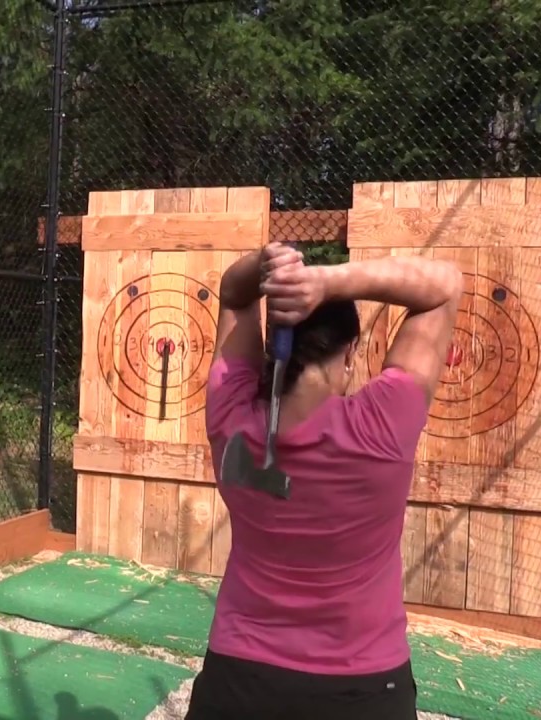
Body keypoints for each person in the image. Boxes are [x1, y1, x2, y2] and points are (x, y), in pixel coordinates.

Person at [186, 242, 462, 720]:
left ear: (274, 346)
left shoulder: (231, 416)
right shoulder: (383, 423)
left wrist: (267, 263)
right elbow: (444, 288)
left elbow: (233, 295)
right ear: (350, 353)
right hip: (363, 688)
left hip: (237, 680)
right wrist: (327, 282)